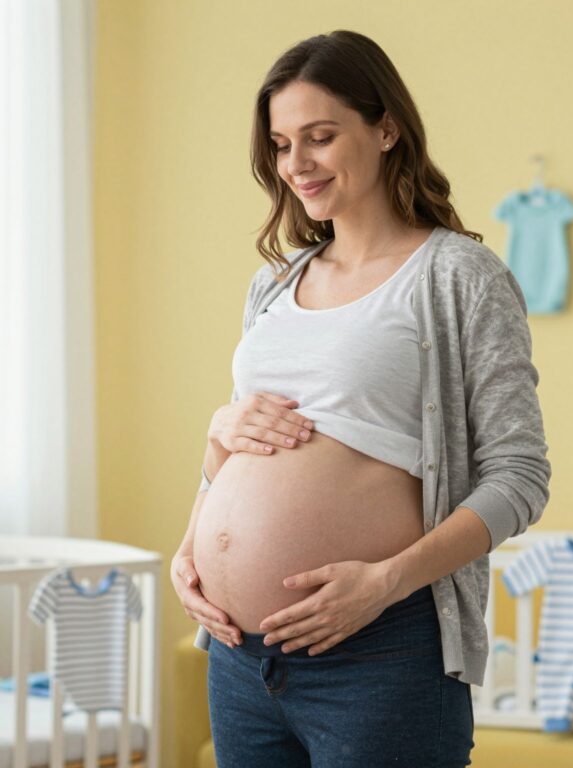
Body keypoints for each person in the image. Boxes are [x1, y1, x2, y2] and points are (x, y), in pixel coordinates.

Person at [168, 30, 551, 768]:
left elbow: (520, 477)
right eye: (281, 144)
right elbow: (240, 452)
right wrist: (194, 541)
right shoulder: (274, 283)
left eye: (319, 136)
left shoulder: (459, 276)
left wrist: (383, 584)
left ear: (386, 128)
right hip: (240, 660)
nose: (296, 164)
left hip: (377, 654)